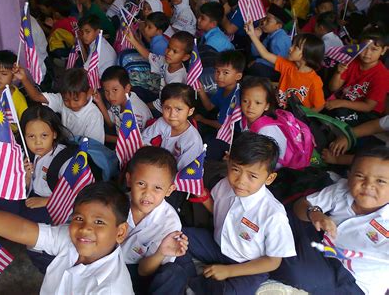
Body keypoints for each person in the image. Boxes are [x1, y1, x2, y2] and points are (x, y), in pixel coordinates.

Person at [0, 180, 135, 295]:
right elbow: (23, 230)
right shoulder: (71, 239)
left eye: (99, 222)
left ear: (120, 232)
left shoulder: (110, 290)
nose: (85, 229)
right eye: (79, 218)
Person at [162, 132, 296, 294]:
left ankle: (206, 285)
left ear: (269, 178)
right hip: (217, 245)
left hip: (247, 264)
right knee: (175, 236)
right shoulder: (225, 185)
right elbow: (219, 210)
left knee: (232, 292)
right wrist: (204, 197)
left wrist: (229, 271)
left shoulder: (274, 214)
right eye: (236, 170)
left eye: (252, 176)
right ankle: (191, 279)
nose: (240, 181)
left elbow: (273, 261)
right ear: (229, 163)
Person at [273, 146, 389, 294]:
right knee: (283, 218)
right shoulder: (341, 190)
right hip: (322, 251)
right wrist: (315, 213)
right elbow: (302, 205)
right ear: (349, 176)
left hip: (356, 282)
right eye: (360, 176)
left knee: (300, 273)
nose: (368, 185)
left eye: (380, 181)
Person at [122, 146, 188, 293]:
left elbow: (143, 271)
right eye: (141, 184)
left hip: (139, 272)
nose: (147, 193)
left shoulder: (170, 223)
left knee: (174, 274)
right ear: (129, 180)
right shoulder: (115, 204)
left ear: (169, 190)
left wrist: (160, 252)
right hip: (108, 265)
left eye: (157, 188)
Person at [246, 22, 325, 111]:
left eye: (296, 47)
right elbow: (265, 54)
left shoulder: (314, 81)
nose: (290, 48)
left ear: (307, 55)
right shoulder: (288, 66)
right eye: (293, 45)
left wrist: (302, 118)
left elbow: (319, 106)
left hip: (293, 119)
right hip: (279, 109)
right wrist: (252, 34)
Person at [15, 67, 105, 144]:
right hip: (65, 143)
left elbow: (94, 146)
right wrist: (24, 78)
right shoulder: (61, 100)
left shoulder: (94, 115)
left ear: (89, 92)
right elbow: (37, 97)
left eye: (76, 100)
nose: (72, 104)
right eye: (66, 100)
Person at [240, 76, 312, 170]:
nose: (250, 107)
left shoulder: (266, 131)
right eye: (245, 101)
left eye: (257, 103)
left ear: (267, 106)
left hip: (281, 167)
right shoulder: (244, 119)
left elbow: (277, 160)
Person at [326, 25, 389, 126]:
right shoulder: (352, 61)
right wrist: (338, 73)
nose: (367, 53)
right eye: (364, 48)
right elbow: (333, 88)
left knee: (339, 113)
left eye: (374, 49)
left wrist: (341, 103)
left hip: (367, 112)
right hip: (346, 100)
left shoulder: (382, 75)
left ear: (384, 50)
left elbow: (368, 106)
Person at [126, 30, 193, 110]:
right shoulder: (166, 61)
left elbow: (164, 103)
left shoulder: (177, 79)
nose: (169, 53)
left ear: (185, 57)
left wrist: (143, 107)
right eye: (168, 47)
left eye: (175, 51)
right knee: (136, 91)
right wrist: (132, 40)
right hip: (159, 96)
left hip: (165, 107)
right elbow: (149, 56)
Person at [142, 83, 203, 171]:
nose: (172, 115)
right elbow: (144, 138)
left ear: (190, 111)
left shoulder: (193, 141)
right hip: (157, 165)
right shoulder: (162, 122)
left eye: (178, 109)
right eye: (167, 108)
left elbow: (182, 171)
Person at [94, 66, 152, 144]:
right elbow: (111, 123)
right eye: (106, 91)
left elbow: (130, 142)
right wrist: (99, 102)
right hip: (121, 141)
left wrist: (101, 137)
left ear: (127, 88)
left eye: (115, 90)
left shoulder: (134, 112)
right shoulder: (118, 100)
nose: (110, 96)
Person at [196, 50, 245, 131]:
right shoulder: (222, 87)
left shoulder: (235, 97)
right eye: (217, 71)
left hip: (233, 133)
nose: (219, 76)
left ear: (238, 76)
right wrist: (201, 91)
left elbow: (222, 126)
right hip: (220, 119)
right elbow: (210, 107)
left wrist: (202, 120)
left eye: (225, 73)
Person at [248, 4, 292, 82]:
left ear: (278, 26)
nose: (264, 23)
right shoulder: (270, 34)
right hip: (272, 65)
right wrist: (256, 37)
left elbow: (280, 64)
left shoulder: (280, 40)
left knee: (256, 67)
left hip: (280, 73)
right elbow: (256, 53)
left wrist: (258, 61)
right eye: (265, 19)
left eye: (268, 21)